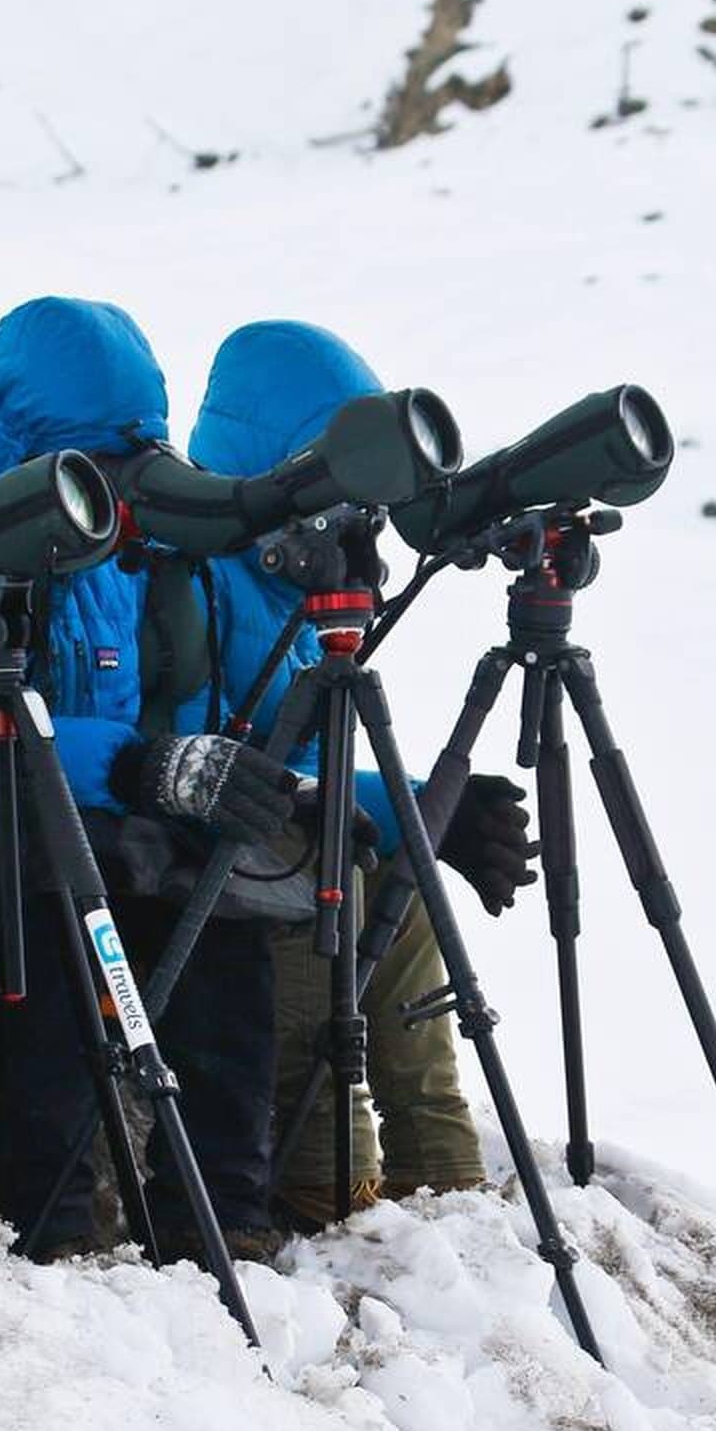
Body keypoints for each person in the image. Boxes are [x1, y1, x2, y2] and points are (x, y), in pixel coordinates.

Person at [0, 296, 298, 1260]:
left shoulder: (98, 546)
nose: (127, 487)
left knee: (214, 893)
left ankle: (220, 1216)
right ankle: (43, 1232)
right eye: (104, 461)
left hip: (54, 819)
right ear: (34, 448)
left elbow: (116, 721)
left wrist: (169, 774)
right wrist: (129, 764)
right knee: (57, 905)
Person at [180, 321, 535, 1225]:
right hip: (207, 845)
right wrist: (379, 806)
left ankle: (442, 1168)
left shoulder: (283, 589)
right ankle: (327, 1176)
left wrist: (421, 810)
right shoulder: (193, 579)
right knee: (321, 867)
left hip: (275, 832)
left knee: (393, 871)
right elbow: (211, 754)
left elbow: (307, 764)